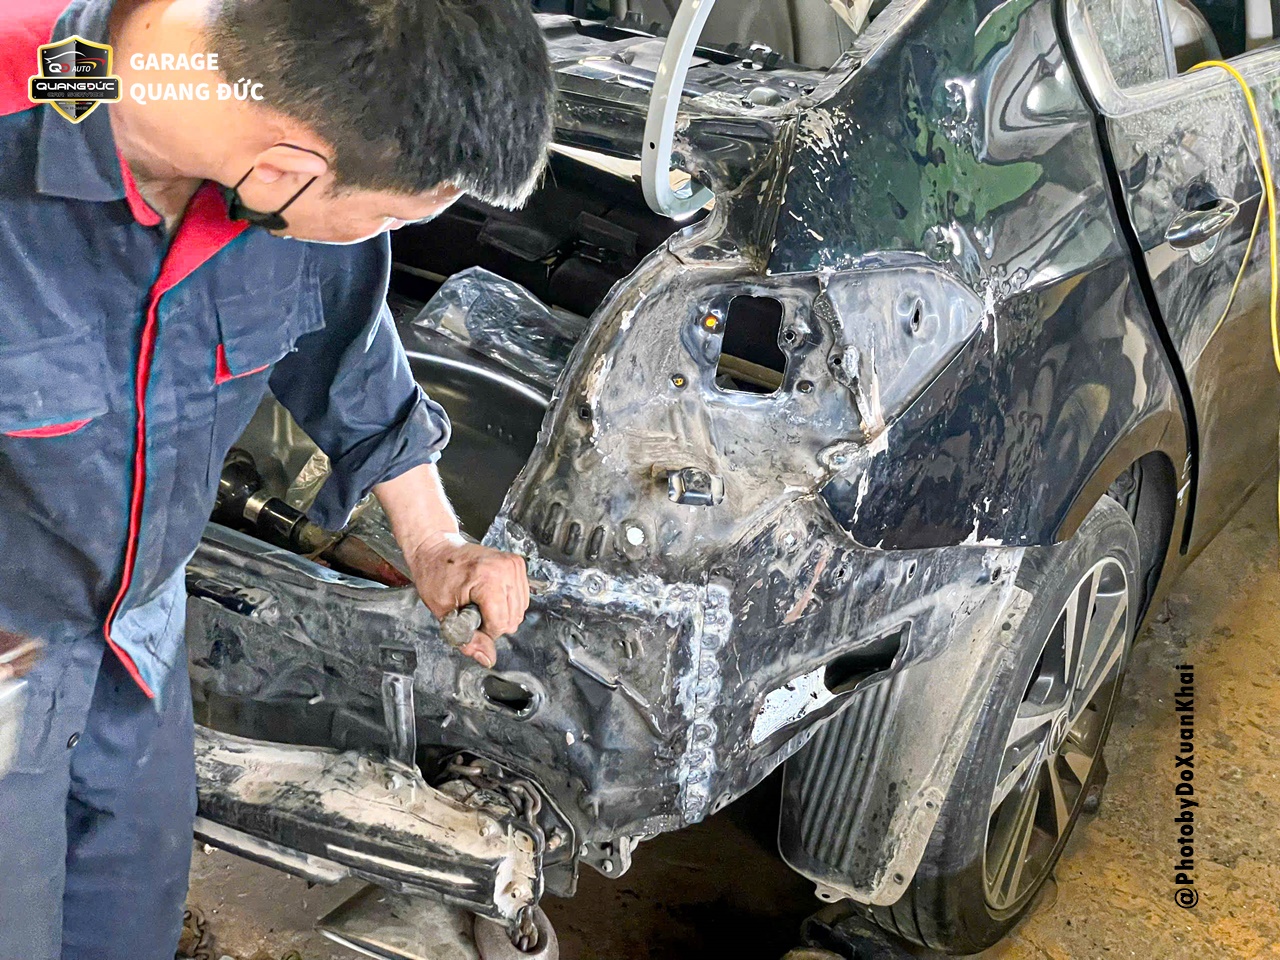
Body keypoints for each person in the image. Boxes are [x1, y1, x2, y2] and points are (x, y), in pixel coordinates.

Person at [0, 0, 555, 957]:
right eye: (387, 217)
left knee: (122, 929)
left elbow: (349, 348)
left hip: (138, 646)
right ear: (283, 171)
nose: (376, 234)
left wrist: (434, 540)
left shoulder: (293, 142)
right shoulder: (23, 134)